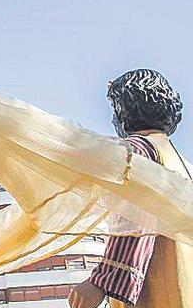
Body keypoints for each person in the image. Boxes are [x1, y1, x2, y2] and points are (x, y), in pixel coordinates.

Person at [70, 69, 192, 308]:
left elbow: (137, 218)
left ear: (124, 110)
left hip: (156, 290)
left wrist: (102, 281)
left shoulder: (136, 150)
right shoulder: (184, 165)